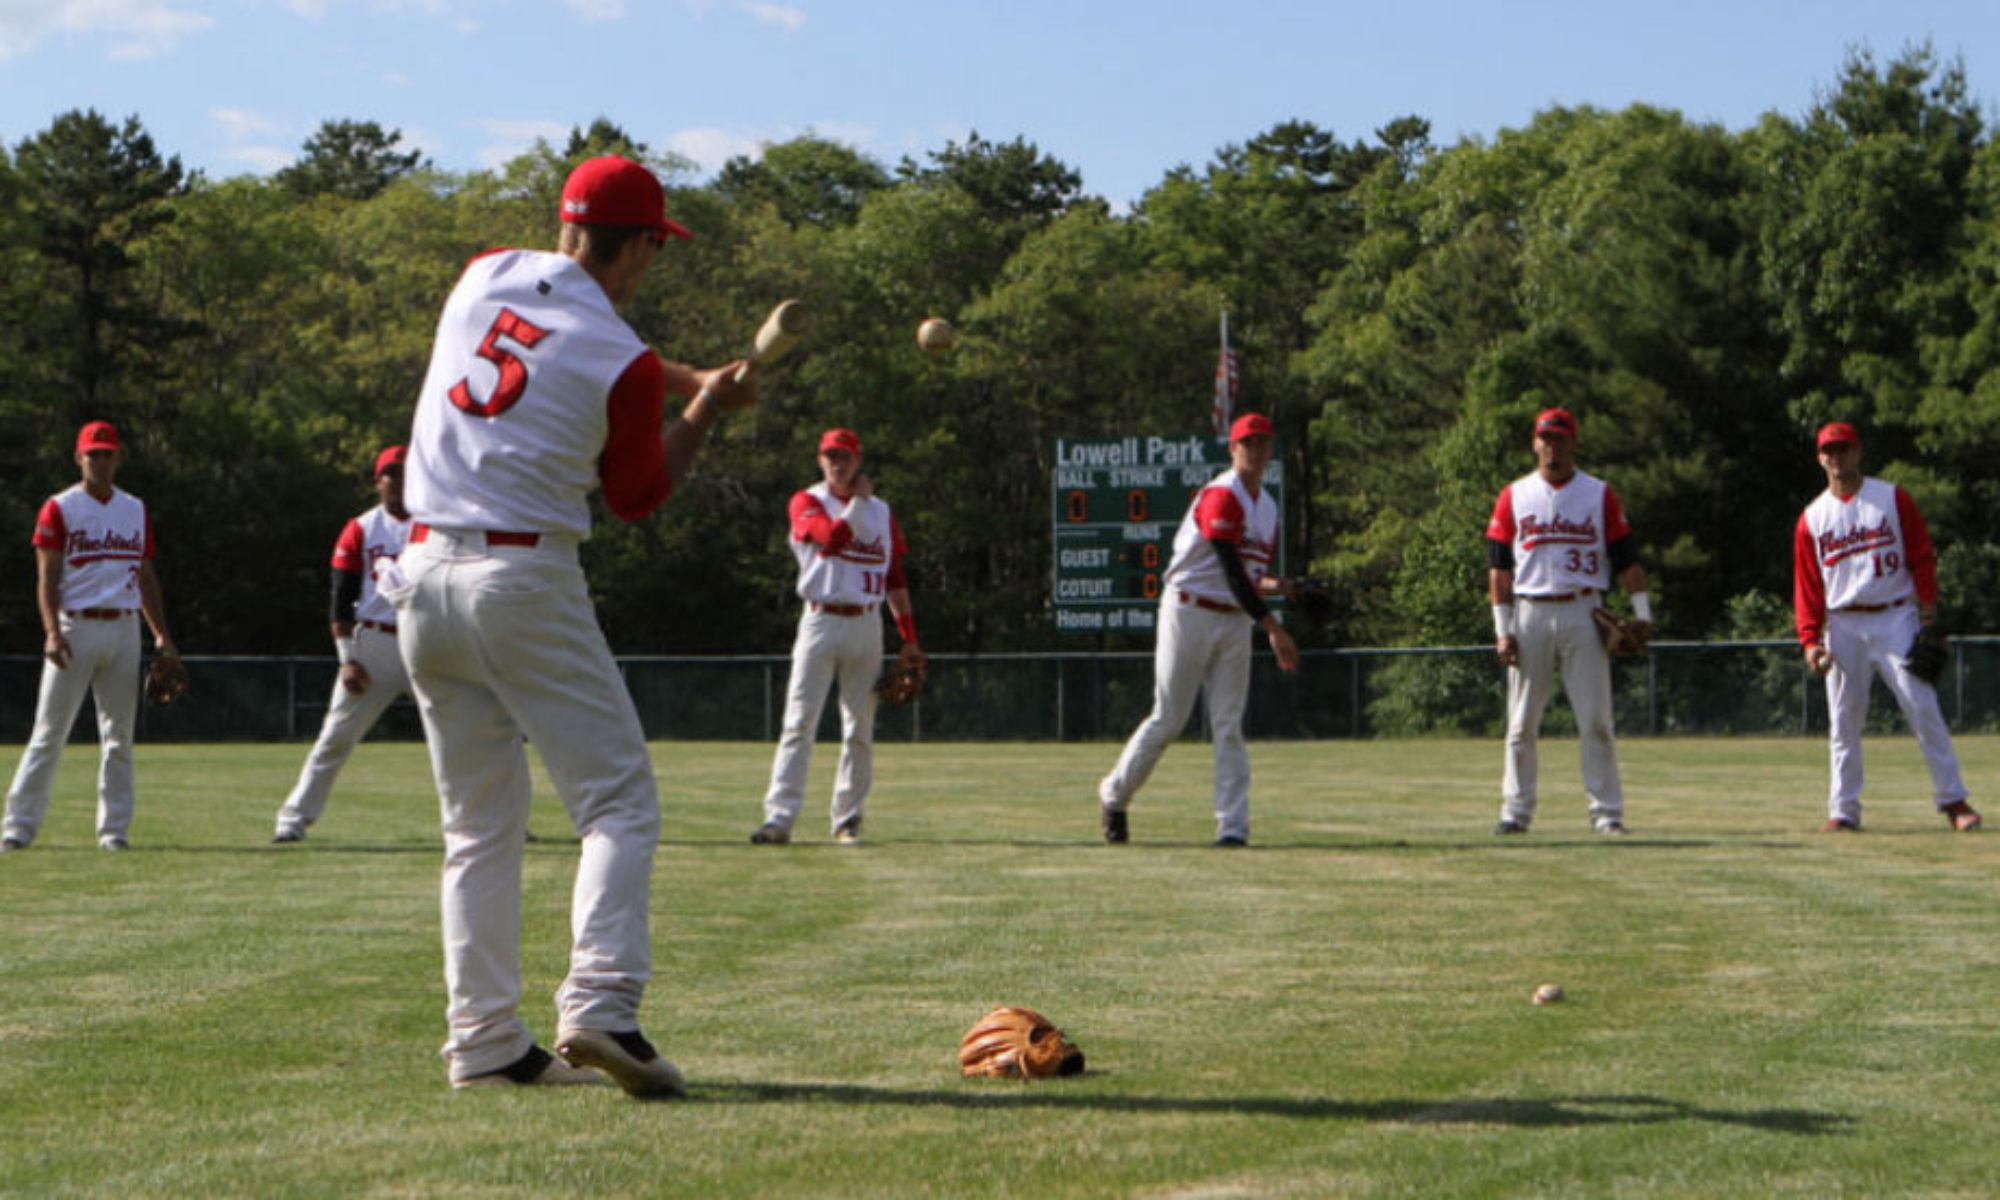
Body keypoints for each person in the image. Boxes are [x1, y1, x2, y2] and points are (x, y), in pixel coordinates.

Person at [390, 155, 755, 1093]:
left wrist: (687, 379)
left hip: (421, 573)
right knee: (619, 803)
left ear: (564, 224)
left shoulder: (485, 272)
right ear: (638, 243)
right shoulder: (624, 359)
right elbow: (636, 496)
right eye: (651, 248)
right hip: (521, 578)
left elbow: (564, 344)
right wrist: (704, 404)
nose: (651, 264)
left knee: (476, 829)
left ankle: (484, 1046)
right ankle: (602, 1007)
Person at [1097, 413, 1301, 848]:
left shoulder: (1267, 506)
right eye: (1248, 442)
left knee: (1228, 724)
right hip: (1188, 610)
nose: (1256, 450)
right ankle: (1115, 795)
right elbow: (1228, 567)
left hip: (1233, 618)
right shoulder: (1221, 494)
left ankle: (1233, 828)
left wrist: (1286, 588)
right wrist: (1272, 625)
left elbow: (1250, 575)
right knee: (1169, 718)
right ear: (1233, 449)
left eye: (1263, 442)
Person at [1793, 421, 1979, 834]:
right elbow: (1807, 587)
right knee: (1844, 720)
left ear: (1858, 452)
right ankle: (1843, 811)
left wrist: (1928, 617)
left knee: (1922, 705)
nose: (1837, 457)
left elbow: (1921, 555)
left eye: (1844, 448)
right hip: (1842, 623)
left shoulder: (1891, 498)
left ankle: (1954, 800)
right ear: (1820, 457)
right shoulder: (1812, 518)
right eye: (1830, 450)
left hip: (1895, 615)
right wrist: (1809, 640)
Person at [3, 421, 180, 852]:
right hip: (73, 628)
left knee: (119, 735)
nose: (100, 460)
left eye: (107, 453)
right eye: (92, 454)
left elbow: (146, 575)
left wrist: (162, 636)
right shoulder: (59, 507)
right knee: (49, 732)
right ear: (78, 458)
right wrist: (50, 632)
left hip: (123, 628)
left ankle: (114, 830)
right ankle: (17, 827)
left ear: (118, 457)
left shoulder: (134, 508)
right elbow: (46, 578)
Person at [751, 428, 921, 846]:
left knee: (859, 729)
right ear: (819, 460)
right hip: (821, 620)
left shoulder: (881, 511)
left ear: (858, 461)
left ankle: (848, 819)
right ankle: (779, 818)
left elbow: (894, 575)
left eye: (844, 456)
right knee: (798, 723)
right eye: (829, 456)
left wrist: (909, 637)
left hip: (867, 621)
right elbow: (831, 540)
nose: (836, 464)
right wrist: (859, 501)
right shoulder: (807, 502)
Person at [1485, 407, 1651, 836]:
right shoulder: (1515, 494)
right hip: (1530, 611)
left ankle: (1607, 813)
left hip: (1584, 610)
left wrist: (1642, 615)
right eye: (1546, 439)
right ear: (1534, 443)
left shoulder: (1597, 493)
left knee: (1596, 720)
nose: (1552, 447)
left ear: (1573, 443)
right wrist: (1502, 630)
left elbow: (1627, 558)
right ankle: (1515, 812)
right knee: (1521, 723)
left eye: (1560, 439)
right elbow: (1499, 568)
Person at [271, 446, 413, 844]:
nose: (399, 481)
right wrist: (347, 658)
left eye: (405, 473)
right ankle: (293, 818)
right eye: (391, 474)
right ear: (378, 480)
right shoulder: (363, 528)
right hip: (373, 643)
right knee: (336, 737)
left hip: (425, 639)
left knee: (463, 732)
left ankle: (499, 822)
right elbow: (340, 596)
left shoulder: (435, 525)